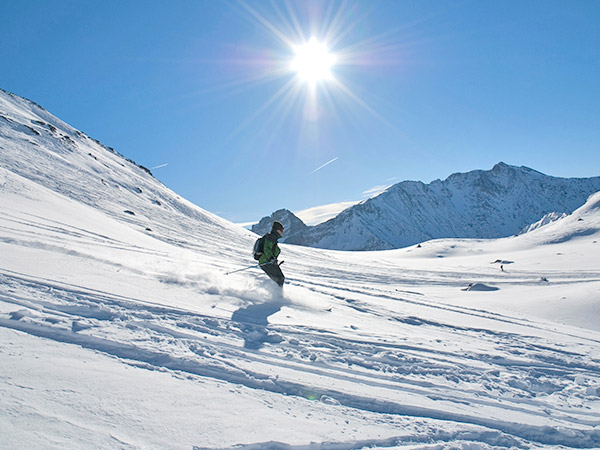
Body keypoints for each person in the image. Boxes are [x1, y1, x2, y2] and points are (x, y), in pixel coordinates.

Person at [259, 221, 285, 287]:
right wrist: (271, 258)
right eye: (281, 230)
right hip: (267, 261)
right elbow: (267, 248)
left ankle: (276, 293)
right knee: (279, 278)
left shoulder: (274, 238)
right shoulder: (271, 237)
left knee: (279, 278)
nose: (282, 231)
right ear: (277, 229)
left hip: (268, 262)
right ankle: (278, 295)